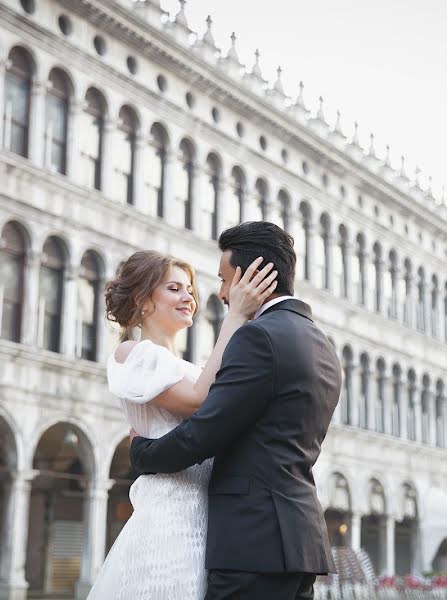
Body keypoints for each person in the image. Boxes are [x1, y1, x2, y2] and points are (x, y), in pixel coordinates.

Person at [130, 221, 343, 600]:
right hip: (301, 541)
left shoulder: (258, 336)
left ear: (254, 276)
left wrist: (141, 452)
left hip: (253, 543)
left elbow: (206, 431)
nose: (223, 293)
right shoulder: (322, 344)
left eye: (225, 280)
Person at [85, 249, 278, 600]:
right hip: (170, 518)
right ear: (143, 301)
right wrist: (234, 317)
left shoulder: (186, 366)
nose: (188, 297)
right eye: (174, 288)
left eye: (188, 289)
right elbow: (200, 402)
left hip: (207, 516)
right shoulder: (133, 352)